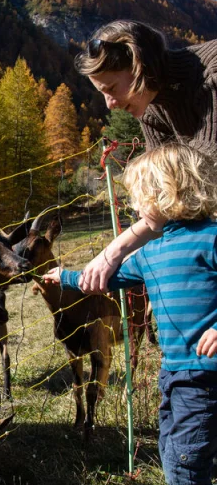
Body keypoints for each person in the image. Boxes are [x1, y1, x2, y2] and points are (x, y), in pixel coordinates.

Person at [43, 143, 217, 485]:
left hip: (207, 373)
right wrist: (61, 276)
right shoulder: (152, 254)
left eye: (139, 198)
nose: (134, 208)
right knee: (174, 451)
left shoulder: (211, 238)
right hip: (174, 374)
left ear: (166, 193)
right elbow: (103, 277)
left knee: (187, 458)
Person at [73, 19, 217, 294]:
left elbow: (203, 178)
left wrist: (118, 247)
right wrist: (112, 254)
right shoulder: (150, 108)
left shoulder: (211, 74)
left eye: (111, 89)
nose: (110, 104)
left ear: (140, 65)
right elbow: (167, 200)